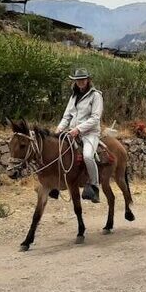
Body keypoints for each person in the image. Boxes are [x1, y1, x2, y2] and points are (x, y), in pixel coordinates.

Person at [55, 68, 103, 203]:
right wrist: (59, 129)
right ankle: (56, 185)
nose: (80, 82)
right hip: (71, 132)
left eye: (83, 79)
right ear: (75, 81)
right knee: (56, 152)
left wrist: (78, 129)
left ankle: (94, 186)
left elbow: (95, 118)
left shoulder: (96, 95)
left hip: (90, 133)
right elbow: (67, 116)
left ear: (88, 80)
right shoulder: (74, 97)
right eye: (78, 80)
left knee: (88, 156)